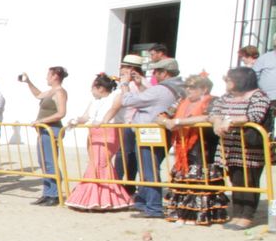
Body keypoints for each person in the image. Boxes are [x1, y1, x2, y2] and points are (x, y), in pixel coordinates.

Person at [156, 74, 225, 226]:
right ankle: (181, 214)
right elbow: (161, 115)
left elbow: (209, 117)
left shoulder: (212, 101)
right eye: (187, 87)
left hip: (203, 145)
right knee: (183, 180)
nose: (188, 90)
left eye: (192, 87)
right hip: (182, 147)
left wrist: (180, 122)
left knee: (199, 180)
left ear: (204, 89)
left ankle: (199, 215)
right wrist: (166, 121)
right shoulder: (181, 101)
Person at [209, 66, 272, 231]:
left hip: (250, 149)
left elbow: (255, 115)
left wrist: (230, 120)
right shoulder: (226, 97)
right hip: (230, 147)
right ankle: (237, 214)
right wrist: (216, 121)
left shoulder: (259, 96)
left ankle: (247, 216)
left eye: (229, 79)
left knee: (249, 181)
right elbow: (214, 111)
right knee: (236, 180)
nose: (226, 83)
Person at [117, 64, 181, 220]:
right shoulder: (177, 87)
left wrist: (125, 84)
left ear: (165, 72)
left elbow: (128, 100)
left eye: (157, 71)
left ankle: (153, 207)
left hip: (151, 133)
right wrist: (140, 85)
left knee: (149, 169)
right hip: (158, 131)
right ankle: (144, 201)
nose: (154, 74)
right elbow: (152, 102)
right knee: (149, 168)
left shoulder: (161, 89)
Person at [65, 75, 132, 212]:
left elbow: (114, 109)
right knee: (95, 164)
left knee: (101, 164)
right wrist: (76, 121)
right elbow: (86, 117)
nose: (91, 90)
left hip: (108, 133)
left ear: (100, 88)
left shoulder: (116, 95)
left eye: (93, 87)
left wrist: (103, 121)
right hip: (94, 133)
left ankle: (99, 198)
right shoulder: (95, 101)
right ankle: (97, 197)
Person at [22, 67, 69, 205]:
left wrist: (40, 121)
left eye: (48, 75)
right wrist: (28, 82)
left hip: (51, 129)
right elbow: (38, 95)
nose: (46, 77)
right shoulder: (51, 91)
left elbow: (61, 113)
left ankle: (54, 194)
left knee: (50, 162)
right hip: (44, 130)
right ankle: (47, 192)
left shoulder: (60, 92)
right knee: (43, 162)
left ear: (55, 76)